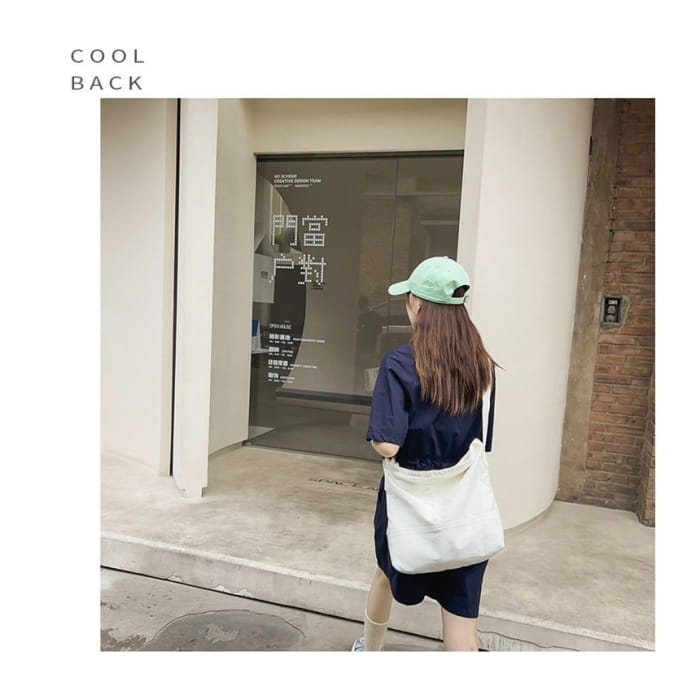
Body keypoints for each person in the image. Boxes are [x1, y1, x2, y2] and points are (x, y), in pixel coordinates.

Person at [351, 256, 497, 652]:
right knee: (461, 614)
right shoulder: (482, 363)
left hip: (409, 497)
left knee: (386, 573)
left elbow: (388, 444)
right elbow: (483, 439)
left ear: (416, 303)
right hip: (465, 505)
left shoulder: (400, 362)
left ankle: (370, 650)